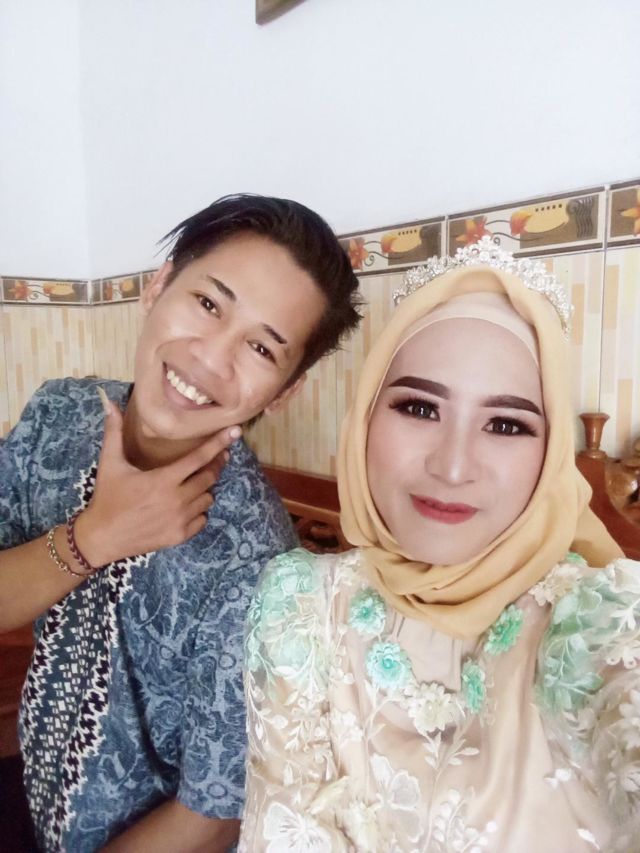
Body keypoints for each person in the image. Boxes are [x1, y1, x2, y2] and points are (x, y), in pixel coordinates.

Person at [239, 237, 640, 852]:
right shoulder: (302, 607)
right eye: (420, 408)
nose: (452, 467)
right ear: (365, 417)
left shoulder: (595, 625)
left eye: (505, 424)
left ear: (551, 454)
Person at [0, 194, 361, 852]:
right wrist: (94, 538)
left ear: (284, 392)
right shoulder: (60, 415)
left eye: (261, 347)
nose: (211, 358)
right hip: (33, 791)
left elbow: (212, 815)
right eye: (208, 303)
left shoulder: (256, 565)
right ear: (159, 284)